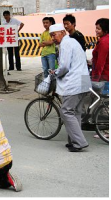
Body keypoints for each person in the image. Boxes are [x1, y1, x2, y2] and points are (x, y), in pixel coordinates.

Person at [49, 24, 91, 152]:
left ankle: (79, 142)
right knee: (75, 112)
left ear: (62, 32)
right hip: (83, 80)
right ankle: (73, 140)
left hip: (74, 82)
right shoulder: (73, 41)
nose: (53, 38)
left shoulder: (65, 44)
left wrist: (55, 73)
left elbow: (65, 66)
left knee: (66, 111)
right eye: (51, 36)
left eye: (54, 35)